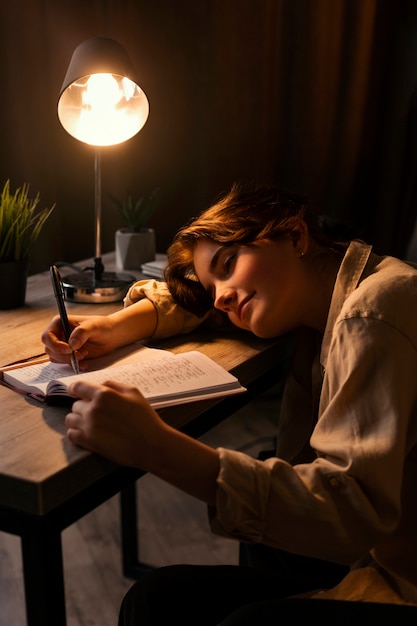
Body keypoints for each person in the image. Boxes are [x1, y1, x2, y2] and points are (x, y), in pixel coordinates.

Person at [42, 181, 417, 624]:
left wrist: (155, 446)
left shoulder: (370, 312)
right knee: (154, 597)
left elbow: (352, 512)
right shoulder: (323, 292)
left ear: (296, 236)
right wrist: (121, 325)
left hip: (398, 577)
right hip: (372, 552)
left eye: (228, 263)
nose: (220, 295)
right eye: (213, 285)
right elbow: (199, 302)